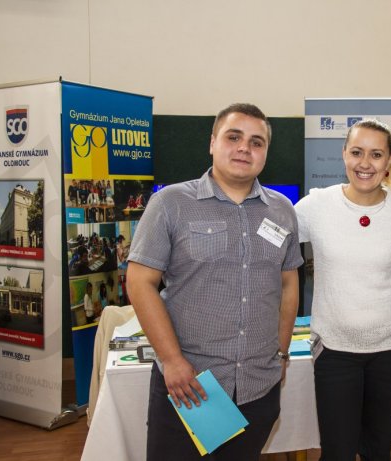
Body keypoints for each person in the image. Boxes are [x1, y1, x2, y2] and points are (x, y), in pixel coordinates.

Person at [126, 103, 303, 461]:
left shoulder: (282, 210)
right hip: (190, 386)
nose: (244, 148)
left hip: (258, 385)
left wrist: (282, 353)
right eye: (233, 137)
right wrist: (172, 360)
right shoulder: (170, 203)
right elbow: (140, 282)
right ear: (212, 143)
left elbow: (288, 284)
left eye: (256, 142)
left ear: (265, 152)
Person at [294, 119, 391, 461]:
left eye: (377, 154)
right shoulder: (316, 206)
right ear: (344, 153)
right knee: (336, 452)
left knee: (378, 451)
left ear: (389, 160)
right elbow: (271, 242)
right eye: (357, 152)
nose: (365, 163)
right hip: (335, 350)